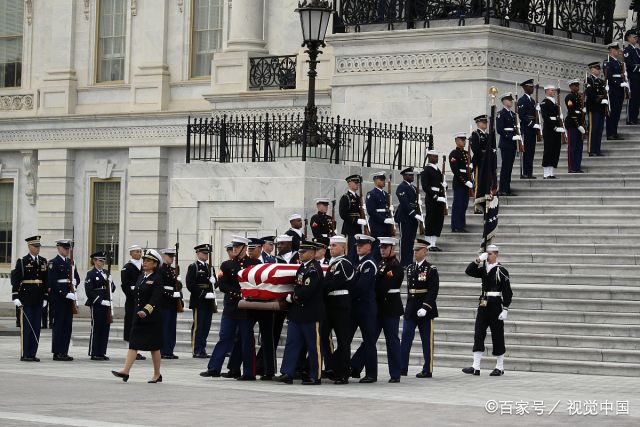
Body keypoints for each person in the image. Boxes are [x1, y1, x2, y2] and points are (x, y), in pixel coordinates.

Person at [201, 236, 257, 380]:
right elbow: (222, 284)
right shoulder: (227, 265)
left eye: (237, 247)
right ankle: (214, 368)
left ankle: (249, 372)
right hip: (232, 306)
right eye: (233, 247)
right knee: (224, 337)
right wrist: (237, 293)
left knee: (246, 340)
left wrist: (247, 293)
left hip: (246, 308)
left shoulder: (254, 264)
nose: (234, 250)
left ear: (244, 248)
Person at [351, 237, 404, 382]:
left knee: (391, 340)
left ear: (392, 248)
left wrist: (369, 292)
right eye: (381, 247)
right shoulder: (380, 263)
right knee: (369, 340)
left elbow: (383, 287)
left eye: (385, 248)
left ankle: (395, 373)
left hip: (390, 307)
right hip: (378, 307)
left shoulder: (395, 266)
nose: (382, 250)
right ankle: (355, 366)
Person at [275, 241, 324, 385]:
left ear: (312, 253)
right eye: (300, 252)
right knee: (292, 343)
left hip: (311, 313)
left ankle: (316, 376)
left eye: (303, 252)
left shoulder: (314, 269)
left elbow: (307, 290)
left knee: (314, 346)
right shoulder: (303, 268)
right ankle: (287, 372)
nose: (300, 254)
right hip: (297, 313)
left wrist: (293, 297)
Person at [112, 249, 165, 383]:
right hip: (138, 317)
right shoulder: (141, 277)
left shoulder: (157, 279)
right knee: (133, 344)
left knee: (154, 347)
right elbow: (137, 296)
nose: (145, 262)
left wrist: (146, 311)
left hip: (152, 318)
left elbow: (155, 299)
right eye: (144, 260)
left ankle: (157, 374)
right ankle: (125, 371)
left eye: (148, 261)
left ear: (155, 264)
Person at [462, 245, 513, 376]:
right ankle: (476, 366)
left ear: (496, 254)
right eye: (487, 254)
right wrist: (478, 260)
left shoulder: (501, 270)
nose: (488, 256)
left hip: (496, 305)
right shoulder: (484, 269)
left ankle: (500, 366)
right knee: (478, 333)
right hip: (483, 304)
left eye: (490, 254)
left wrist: (505, 308)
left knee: (497, 334)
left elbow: (507, 291)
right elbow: (469, 271)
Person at [400, 237, 439, 378]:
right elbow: (410, 290)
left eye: (418, 250)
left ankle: (427, 369)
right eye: (414, 250)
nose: (415, 253)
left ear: (425, 251)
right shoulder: (410, 268)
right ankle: (402, 367)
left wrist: (425, 307)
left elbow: (433, 290)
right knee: (405, 338)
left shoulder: (431, 269)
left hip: (425, 310)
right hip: (411, 308)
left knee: (427, 341)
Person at [321, 235, 354, 385]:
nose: (330, 248)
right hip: (330, 305)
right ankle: (331, 368)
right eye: (330, 245)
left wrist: (321, 286)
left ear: (342, 247)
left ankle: (343, 373)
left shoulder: (344, 263)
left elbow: (334, 282)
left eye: (334, 245)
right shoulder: (333, 264)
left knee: (343, 340)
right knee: (322, 338)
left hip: (341, 306)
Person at [11, 235, 48, 362]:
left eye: (39, 246)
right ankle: (25, 353)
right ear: (29, 247)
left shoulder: (43, 261)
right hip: (26, 298)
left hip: (38, 297)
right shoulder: (22, 261)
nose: (38, 249)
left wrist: (45, 297)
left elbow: (45, 280)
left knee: (36, 327)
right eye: (35, 246)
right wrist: (15, 296)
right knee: (27, 327)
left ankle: (33, 353)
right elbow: (16, 279)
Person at [348, 234, 379, 383]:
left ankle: (371, 374)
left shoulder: (369, 264)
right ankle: (344, 368)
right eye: (357, 245)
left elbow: (361, 287)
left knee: (369, 341)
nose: (358, 247)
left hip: (366, 307)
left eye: (362, 244)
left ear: (369, 246)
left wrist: (347, 293)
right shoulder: (358, 263)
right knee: (345, 338)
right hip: (355, 307)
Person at [47, 239, 80, 361]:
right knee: (59, 325)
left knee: (67, 326)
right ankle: (57, 352)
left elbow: (76, 277)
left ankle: (64, 351)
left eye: (68, 249)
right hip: (59, 299)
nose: (67, 251)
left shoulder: (71, 263)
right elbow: (53, 282)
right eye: (65, 248)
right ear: (59, 248)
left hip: (69, 298)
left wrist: (76, 281)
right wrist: (64, 294)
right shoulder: (53, 263)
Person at [186, 243, 216, 358]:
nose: (206, 255)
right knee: (198, 326)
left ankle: (202, 348)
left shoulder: (210, 267)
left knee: (206, 326)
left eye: (207, 253)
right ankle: (196, 350)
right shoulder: (194, 267)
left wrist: (215, 281)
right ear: (198, 254)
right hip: (199, 301)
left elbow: (214, 285)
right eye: (204, 253)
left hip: (209, 302)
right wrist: (203, 294)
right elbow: (190, 284)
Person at [84, 251, 115, 360]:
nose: (102, 263)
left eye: (103, 261)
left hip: (106, 303)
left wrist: (110, 282)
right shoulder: (91, 273)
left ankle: (101, 352)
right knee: (97, 327)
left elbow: (113, 289)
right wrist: (100, 301)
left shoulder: (106, 272)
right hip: (97, 304)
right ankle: (94, 352)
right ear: (95, 261)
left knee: (105, 328)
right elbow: (89, 291)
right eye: (100, 260)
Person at [120, 244, 145, 360]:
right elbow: (125, 286)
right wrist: (134, 296)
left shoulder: (144, 266)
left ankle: (137, 349)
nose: (139, 254)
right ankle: (132, 349)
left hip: (142, 300)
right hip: (132, 301)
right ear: (130, 253)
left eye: (140, 252)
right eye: (136, 252)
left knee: (139, 326)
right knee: (131, 324)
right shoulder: (127, 267)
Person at [394, 167, 422, 267]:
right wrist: (414, 214)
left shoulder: (414, 187)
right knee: (405, 240)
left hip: (413, 217)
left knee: (411, 240)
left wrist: (419, 208)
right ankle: (403, 263)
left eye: (412, 175)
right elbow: (405, 203)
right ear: (404, 176)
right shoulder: (401, 187)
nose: (412, 176)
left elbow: (415, 203)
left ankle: (409, 262)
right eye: (410, 175)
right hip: (405, 217)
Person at [159, 248, 182, 359]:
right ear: (164, 256)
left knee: (172, 328)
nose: (172, 259)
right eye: (170, 256)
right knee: (165, 328)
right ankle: (164, 351)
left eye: (173, 257)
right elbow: (160, 288)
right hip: (165, 303)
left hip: (173, 303)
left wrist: (179, 283)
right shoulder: (160, 270)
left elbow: (176, 286)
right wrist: (172, 294)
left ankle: (170, 350)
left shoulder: (173, 270)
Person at [366, 172, 395, 260]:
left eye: (384, 179)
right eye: (381, 179)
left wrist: (391, 211)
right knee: (377, 248)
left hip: (387, 225)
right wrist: (383, 220)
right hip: (377, 225)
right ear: (375, 180)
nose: (383, 182)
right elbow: (371, 211)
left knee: (386, 247)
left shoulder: (386, 194)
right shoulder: (371, 194)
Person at [421, 149, 446, 251]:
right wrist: (435, 196)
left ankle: (433, 243)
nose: (436, 158)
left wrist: (444, 186)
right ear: (429, 157)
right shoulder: (426, 170)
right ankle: (428, 244)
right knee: (430, 220)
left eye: (437, 156)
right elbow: (425, 186)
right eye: (434, 156)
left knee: (438, 220)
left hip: (440, 198)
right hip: (432, 198)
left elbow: (439, 184)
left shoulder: (438, 170)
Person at [496, 92, 520, 196]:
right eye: (510, 100)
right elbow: (500, 130)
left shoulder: (513, 114)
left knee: (509, 167)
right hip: (506, 143)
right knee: (505, 167)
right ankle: (502, 189)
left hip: (513, 143)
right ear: (504, 101)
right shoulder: (501, 113)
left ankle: (507, 188)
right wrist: (511, 136)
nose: (511, 102)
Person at [339, 174, 366, 263]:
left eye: (358, 183)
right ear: (349, 183)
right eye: (355, 182)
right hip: (350, 228)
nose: (357, 184)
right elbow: (343, 214)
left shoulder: (358, 198)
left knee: (356, 251)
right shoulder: (345, 197)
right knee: (350, 251)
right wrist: (357, 220)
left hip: (357, 229)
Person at [449, 133, 473, 232]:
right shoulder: (454, 153)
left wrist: (471, 168)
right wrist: (464, 181)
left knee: (464, 205)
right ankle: (456, 226)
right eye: (461, 140)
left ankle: (461, 225)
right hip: (460, 182)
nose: (463, 141)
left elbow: (469, 168)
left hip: (467, 181)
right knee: (458, 205)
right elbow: (455, 170)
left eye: (464, 140)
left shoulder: (467, 153)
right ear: (456, 141)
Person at [540, 85, 564, 179]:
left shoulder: (555, 102)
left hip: (556, 129)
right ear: (546, 91)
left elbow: (557, 116)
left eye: (554, 90)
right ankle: (546, 173)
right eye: (552, 90)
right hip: (550, 129)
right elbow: (546, 118)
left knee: (555, 150)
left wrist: (560, 121)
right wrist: (554, 127)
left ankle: (551, 172)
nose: (554, 91)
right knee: (548, 150)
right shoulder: (544, 102)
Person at [604, 42, 626, 140]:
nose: (618, 52)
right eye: (616, 50)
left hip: (619, 90)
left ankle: (614, 132)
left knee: (617, 113)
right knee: (612, 113)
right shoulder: (608, 62)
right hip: (613, 90)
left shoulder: (617, 62)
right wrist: (619, 83)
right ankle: (610, 133)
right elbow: (609, 76)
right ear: (611, 50)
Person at [517, 80, 539, 179]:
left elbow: (534, 115)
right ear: (525, 88)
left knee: (531, 151)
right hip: (526, 129)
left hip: (532, 130)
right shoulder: (522, 100)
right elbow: (522, 115)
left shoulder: (533, 101)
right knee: (526, 151)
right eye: (531, 87)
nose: (532, 88)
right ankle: (525, 172)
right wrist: (531, 124)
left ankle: (529, 172)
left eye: (533, 87)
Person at [585, 62, 608, 157]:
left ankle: (597, 149)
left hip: (601, 109)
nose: (599, 70)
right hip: (593, 108)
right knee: (593, 130)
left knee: (599, 130)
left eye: (599, 69)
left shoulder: (602, 81)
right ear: (592, 69)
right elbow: (590, 93)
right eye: (597, 69)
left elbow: (604, 93)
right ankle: (591, 150)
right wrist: (599, 99)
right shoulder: (589, 80)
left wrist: (605, 99)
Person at [564, 79, 587, 173]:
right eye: (575, 85)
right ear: (570, 86)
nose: (577, 87)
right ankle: (571, 167)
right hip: (573, 124)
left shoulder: (579, 96)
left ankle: (577, 166)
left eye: (577, 85)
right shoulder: (569, 97)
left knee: (579, 147)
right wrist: (578, 125)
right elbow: (572, 112)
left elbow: (580, 111)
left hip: (580, 124)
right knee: (572, 146)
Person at [624, 29, 640, 125]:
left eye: (636, 37)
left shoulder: (637, 50)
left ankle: (635, 117)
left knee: (637, 98)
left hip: (638, 77)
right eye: (634, 37)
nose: (636, 39)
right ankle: (630, 118)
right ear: (629, 38)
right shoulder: (627, 50)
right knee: (632, 98)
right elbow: (628, 64)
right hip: (633, 77)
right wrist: (638, 68)